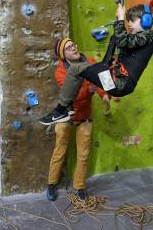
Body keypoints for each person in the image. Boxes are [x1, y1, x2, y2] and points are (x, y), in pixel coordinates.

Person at [39, 3, 153, 125]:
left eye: (132, 21)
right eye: (127, 20)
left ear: (146, 21)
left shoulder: (150, 37)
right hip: (114, 82)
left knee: (75, 68)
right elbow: (108, 58)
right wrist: (112, 43)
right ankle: (66, 109)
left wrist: (120, 19)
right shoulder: (137, 39)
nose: (128, 24)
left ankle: (61, 111)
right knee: (78, 70)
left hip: (120, 83)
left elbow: (123, 41)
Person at [46, 38, 110, 201]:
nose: (74, 48)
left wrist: (105, 95)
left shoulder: (90, 62)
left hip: (84, 115)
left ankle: (79, 186)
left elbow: (102, 79)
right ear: (63, 54)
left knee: (84, 154)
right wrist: (89, 90)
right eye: (68, 48)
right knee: (60, 150)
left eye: (73, 45)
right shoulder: (60, 72)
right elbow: (72, 96)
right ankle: (52, 184)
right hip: (66, 115)